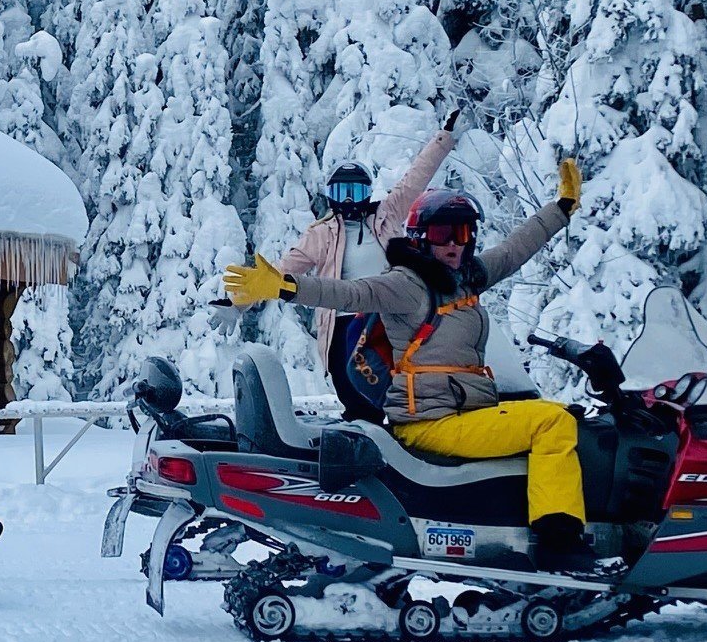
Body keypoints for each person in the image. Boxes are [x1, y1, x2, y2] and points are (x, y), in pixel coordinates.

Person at [221, 160, 616, 576]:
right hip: (433, 421)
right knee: (553, 423)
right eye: (444, 233)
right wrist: (287, 286)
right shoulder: (406, 284)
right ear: (422, 238)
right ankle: (559, 544)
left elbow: (516, 249)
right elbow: (351, 293)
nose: (454, 244)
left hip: (465, 412)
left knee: (557, 417)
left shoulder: (466, 278)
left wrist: (562, 207)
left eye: (463, 233)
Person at [264, 117, 458, 421]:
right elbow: (280, 270)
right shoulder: (323, 233)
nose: (350, 200)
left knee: (397, 391)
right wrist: (240, 300)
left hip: (387, 319)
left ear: (368, 191)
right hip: (343, 325)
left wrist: (443, 139)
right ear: (331, 196)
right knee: (354, 396)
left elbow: (415, 178)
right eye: (342, 193)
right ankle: (359, 451)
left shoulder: (385, 215)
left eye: (355, 191)